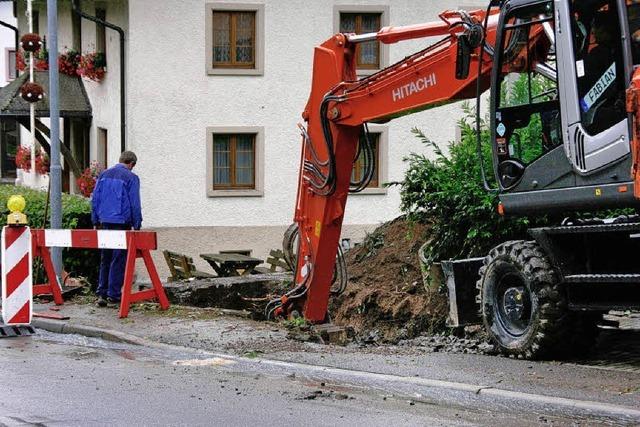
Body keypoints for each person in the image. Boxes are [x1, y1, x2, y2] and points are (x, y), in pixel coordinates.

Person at [91, 151, 142, 307]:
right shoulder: (131, 177)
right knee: (118, 259)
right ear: (132, 164)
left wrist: (95, 219)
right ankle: (114, 294)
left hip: (104, 221)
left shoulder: (104, 175)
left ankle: (102, 293)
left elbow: (95, 199)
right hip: (122, 222)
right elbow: (134, 202)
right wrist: (137, 223)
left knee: (105, 258)